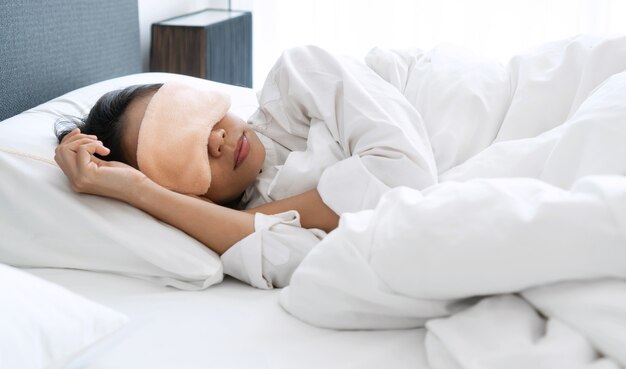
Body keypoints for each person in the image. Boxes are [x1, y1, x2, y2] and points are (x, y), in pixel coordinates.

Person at [54, 46, 437, 288]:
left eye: (198, 116)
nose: (216, 139)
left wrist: (262, 218)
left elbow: (406, 178)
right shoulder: (233, 224)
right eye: (187, 156)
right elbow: (300, 263)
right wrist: (138, 191)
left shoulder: (299, 76)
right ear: (183, 193)